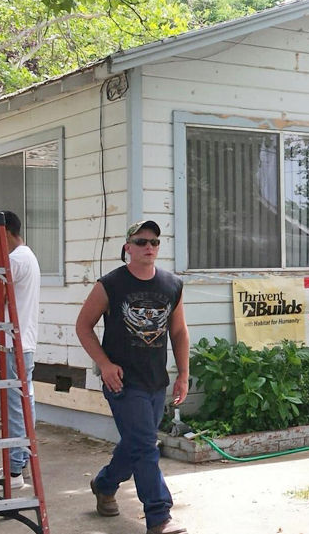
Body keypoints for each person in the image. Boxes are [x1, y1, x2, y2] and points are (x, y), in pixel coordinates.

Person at [75, 219, 190, 534]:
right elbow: (83, 326)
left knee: (136, 444)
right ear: (128, 247)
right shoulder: (111, 284)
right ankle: (159, 515)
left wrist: (183, 374)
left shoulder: (171, 285)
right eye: (141, 242)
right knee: (146, 445)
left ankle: (104, 484)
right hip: (122, 381)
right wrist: (104, 364)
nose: (148, 247)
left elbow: (179, 332)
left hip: (156, 380)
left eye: (154, 242)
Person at [0, 211, 40, 489]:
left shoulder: (14, 260)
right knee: (23, 401)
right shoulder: (27, 256)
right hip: (22, 341)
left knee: (12, 406)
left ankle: (15, 469)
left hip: (10, 344)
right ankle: (20, 462)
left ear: (4, 233)